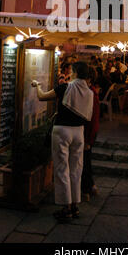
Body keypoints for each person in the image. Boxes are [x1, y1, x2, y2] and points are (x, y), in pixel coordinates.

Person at [32, 62, 93, 222]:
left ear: (73, 72)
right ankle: (74, 205)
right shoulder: (89, 92)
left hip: (62, 131)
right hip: (79, 132)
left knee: (61, 168)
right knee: (76, 169)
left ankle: (65, 207)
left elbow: (42, 96)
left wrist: (37, 85)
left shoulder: (65, 87)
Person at [82, 66, 100, 201]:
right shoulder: (90, 91)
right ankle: (91, 186)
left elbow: (92, 118)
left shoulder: (90, 93)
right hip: (89, 131)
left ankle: (86, 189)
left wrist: (88, 139)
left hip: (87, 132)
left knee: (84, 161)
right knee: (86, 160)